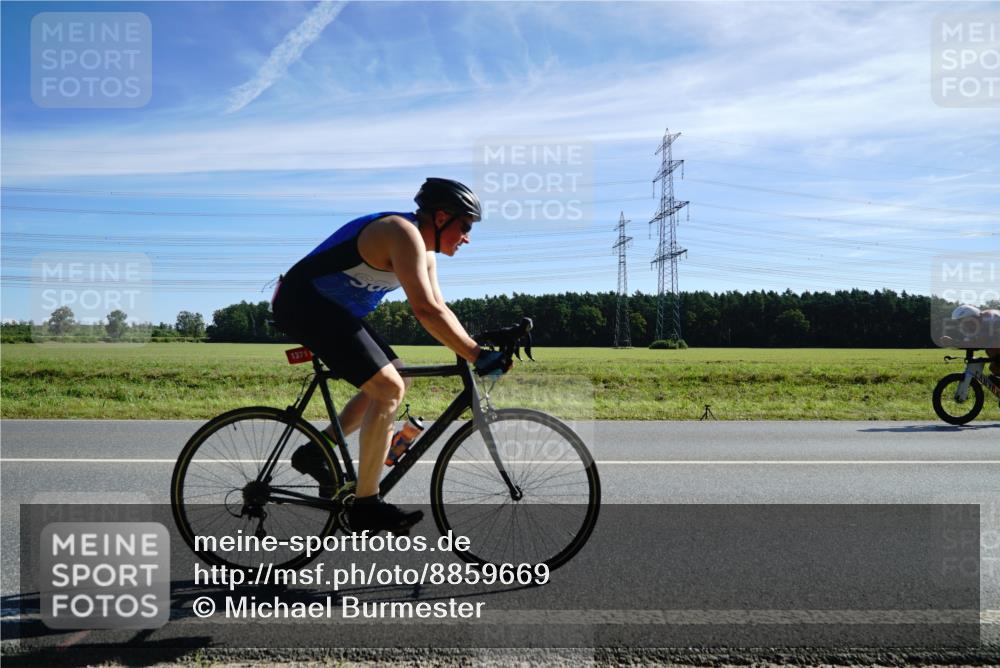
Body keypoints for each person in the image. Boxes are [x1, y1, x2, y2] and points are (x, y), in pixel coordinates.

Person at [271, 178, 509, 534]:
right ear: (442, 217)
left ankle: (318, 451)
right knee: (388, 388)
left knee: (401, 376)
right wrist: (476, 356)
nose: (467, 237)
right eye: (464, 226)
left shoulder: (425, 251)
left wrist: (476, 346)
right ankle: (366, 506)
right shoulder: (402, 232)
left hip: (335, 312)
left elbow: (439, 307)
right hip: (302, 303)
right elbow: (425, 311)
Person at [947, 304, 1000, 379]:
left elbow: (978, 344)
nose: (963, 325)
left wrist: (953, 342)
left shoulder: (989, 318)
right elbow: (969, 344)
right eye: (960, 322)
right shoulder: (974, 324)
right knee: (994, 367)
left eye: (965, 321)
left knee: (993, 349)